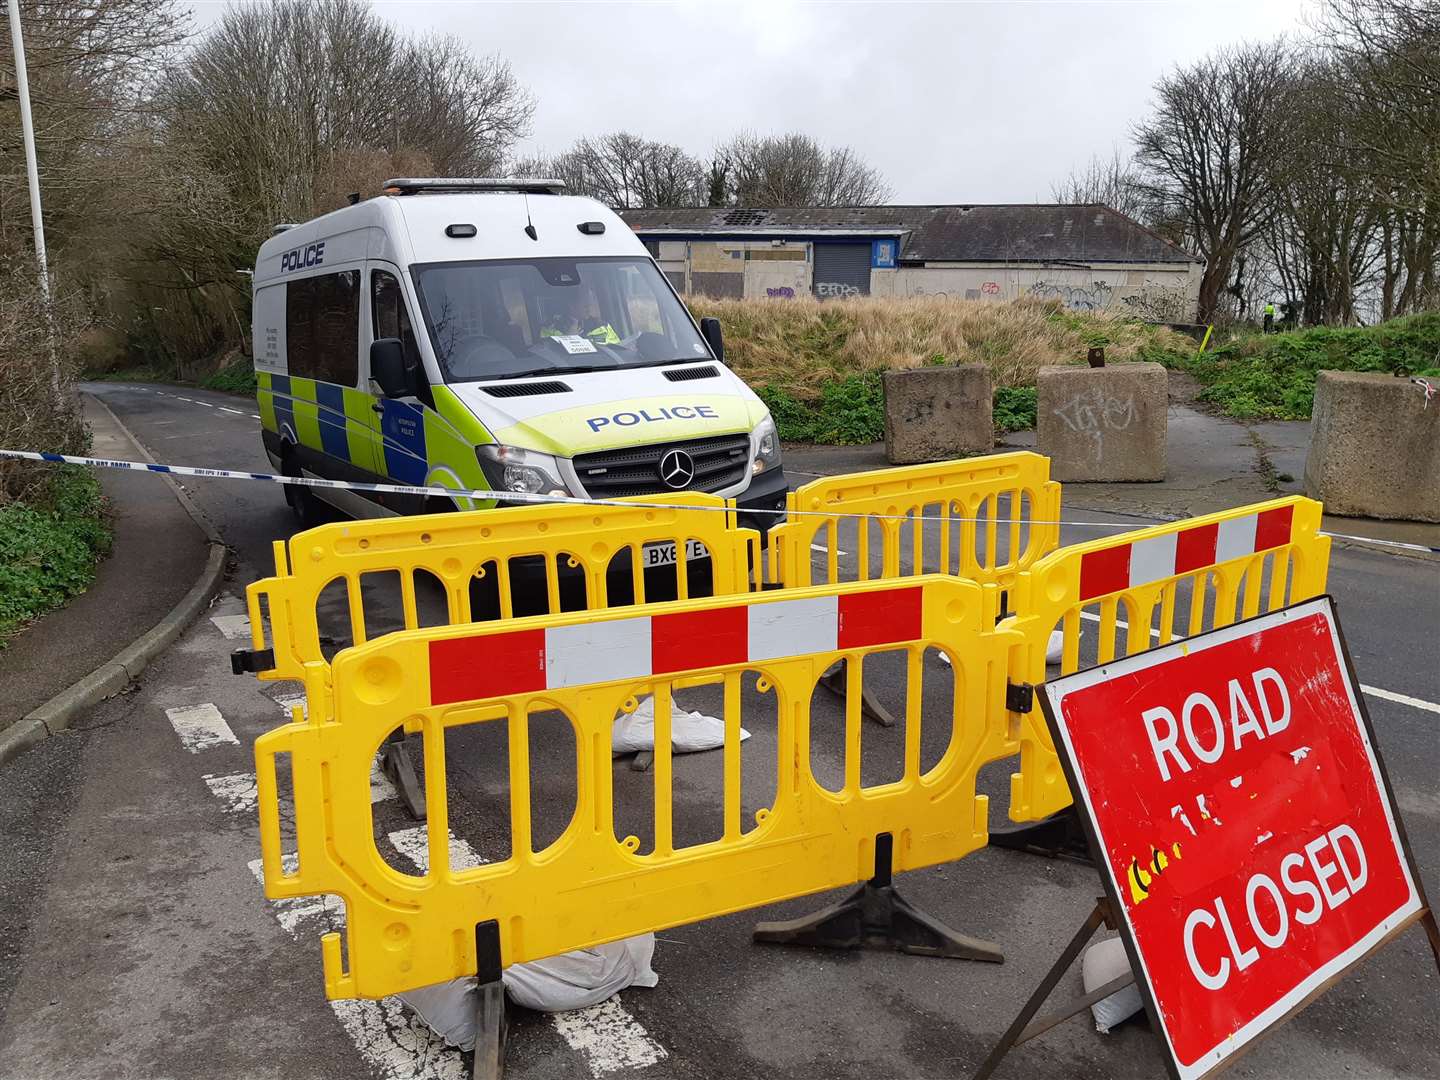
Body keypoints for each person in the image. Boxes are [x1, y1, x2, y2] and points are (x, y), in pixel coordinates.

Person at [541, 290, 620, 344]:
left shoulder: (602, 326)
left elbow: (619, 351)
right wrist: (568, 338)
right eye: (585, 306)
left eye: (590, 304)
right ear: (572, 305)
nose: (589, 309)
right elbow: (549, 359)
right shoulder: (550, 329)